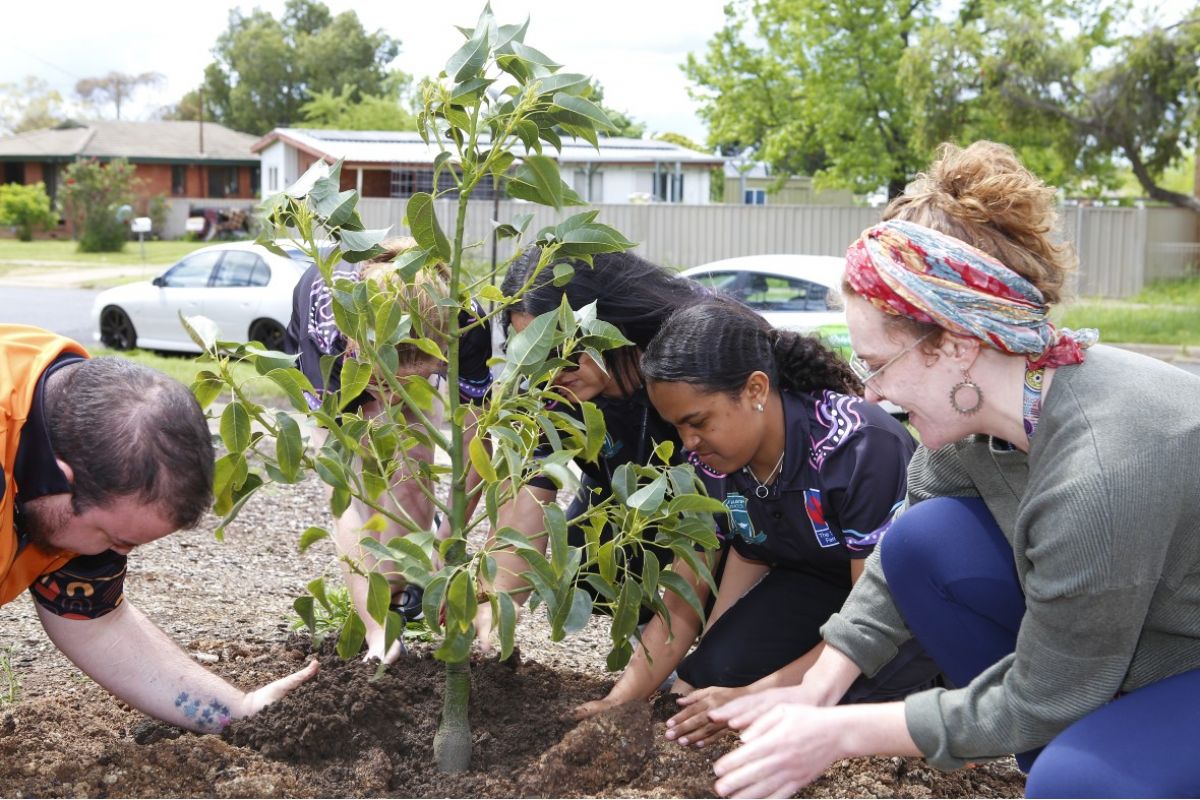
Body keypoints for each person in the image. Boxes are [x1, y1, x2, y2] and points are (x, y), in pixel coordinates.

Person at [707, 141, 1200, 799]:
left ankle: (1097, 762)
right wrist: (814, 691)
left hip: (1181, 651)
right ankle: (1101, 745)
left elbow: (1044, 692)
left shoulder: (1098, 472)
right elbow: (896, 552)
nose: (871, 395)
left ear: (960, 346)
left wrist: (843, 732)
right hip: (1143, 629)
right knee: (923, 540)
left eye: (876, 364)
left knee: (1074, 784)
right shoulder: (984, 415)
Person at [571, 298, 936, 733]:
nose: (688, 442)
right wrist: (619, 700)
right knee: (695, 687)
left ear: (756, 390)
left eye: (698, 421)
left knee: (835, 705)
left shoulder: (857, 448)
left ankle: (931, 684)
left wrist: (753, 696)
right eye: (677, 427)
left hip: (900, 603)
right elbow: (683, 599)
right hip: (813, 585)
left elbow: (869, 615)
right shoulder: (710, 465)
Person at [0, 323, 316, 732]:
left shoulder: (73, 421)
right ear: (61, 478)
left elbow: (98, 625)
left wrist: (240, 713)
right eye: (115, 539)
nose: (116, 554)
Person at [473, 247, 711, 646]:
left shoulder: (686, 356)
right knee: (584, 555)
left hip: (729, 518)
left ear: (607, 325)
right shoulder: (551, 392)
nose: (550, 373)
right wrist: (491, 606)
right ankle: (650, 630)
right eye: (534, 356)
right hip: (623, 493)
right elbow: (526, 508)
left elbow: (715, 519)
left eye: (564, 352)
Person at [283, 238, 494, 664]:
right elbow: (345, 501)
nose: (396, 386)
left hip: (399, 349)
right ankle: (380, 625)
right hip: (340, 365)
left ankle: (400, 590)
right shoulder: (329, 322)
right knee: (359, 483)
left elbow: (476, 442)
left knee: (412, 466)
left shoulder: (465, 324)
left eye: (415, 368)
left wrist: (445, 541)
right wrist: (375, 629)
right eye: (389, 371)